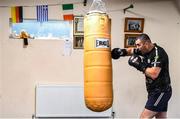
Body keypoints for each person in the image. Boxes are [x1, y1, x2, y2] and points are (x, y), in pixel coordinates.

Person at [111, 33, 172, 119]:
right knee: (161, 117)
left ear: (146, 43)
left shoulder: (158, 53)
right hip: (154, 91)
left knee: (144, 117)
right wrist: (121, 52)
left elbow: (154, 74)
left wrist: (139, 65)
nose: (137, 47)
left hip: (161, 91)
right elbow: (131, 51)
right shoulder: (144, 50)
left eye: (139, 45)